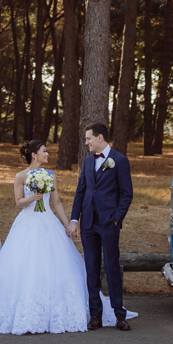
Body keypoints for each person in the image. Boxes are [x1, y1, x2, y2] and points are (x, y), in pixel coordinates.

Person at [0, 140, 137, 334]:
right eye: (44, 151)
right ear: (34, 155)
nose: (47, 154)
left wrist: (69, 224)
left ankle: (99, 312)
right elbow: (18, 202)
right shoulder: (20, 176)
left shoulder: (50, 175)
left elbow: (57, 202)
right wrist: (31, 198)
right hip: (27, 222)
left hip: (48, 221)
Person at [67, 122, 133, 330]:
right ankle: (95, 314)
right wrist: (74, 219)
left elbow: (127, 193)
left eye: (88, 138)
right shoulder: (87, 162)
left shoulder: (120, 160)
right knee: (91, 269)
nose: (86, 142)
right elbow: (81, 191)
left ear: (100, 138)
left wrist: (116, 218)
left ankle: (119, 314)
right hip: (87, 223)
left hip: (108, 223)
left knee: (112, 267)